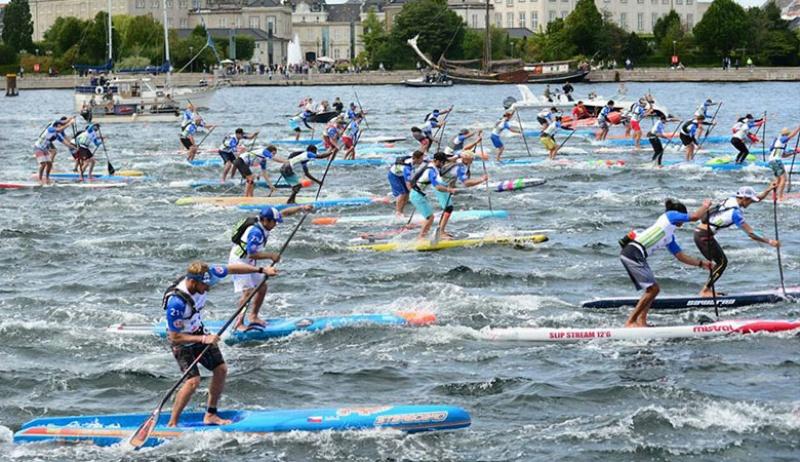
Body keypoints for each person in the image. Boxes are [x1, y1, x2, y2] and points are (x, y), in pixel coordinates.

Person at [164, 261, 278, 427]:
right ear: (193, 282)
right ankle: (172, 423)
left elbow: (233, 267)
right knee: (193, 381)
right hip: (182, 341)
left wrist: (261, 270)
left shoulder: (207, 273)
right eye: (205, 285)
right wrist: (203, 339)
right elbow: (175, 337)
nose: (208, 288)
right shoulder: (176, 303)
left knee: (221, 370)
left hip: (198, 331)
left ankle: (210, 415)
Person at [619, 199, 713, 327]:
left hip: (636, 254)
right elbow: (695, 216)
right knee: (653, 290)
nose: (683, 220)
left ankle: (641, 321)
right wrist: (705, 206)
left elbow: (680, 256)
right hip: (633, 252)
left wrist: (702, 264)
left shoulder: (669, 236)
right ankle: (630, 322)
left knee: (652, 289)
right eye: (683, 216)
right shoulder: (670, 216)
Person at [229, 206, 310, 331]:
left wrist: (301, 208)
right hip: (239, 261)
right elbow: (252, 253)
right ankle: (238, 323)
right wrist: (271, 255)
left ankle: (253, 316)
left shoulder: (264, 221)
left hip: (249, 260)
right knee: (247, 292)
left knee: (262, 286)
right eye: (274, 222)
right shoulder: (255, 232)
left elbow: (284, 213)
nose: (276, 225)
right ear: (266, 220)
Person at [693, 185, 779, 297]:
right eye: (750, 201)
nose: (751, 203)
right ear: (744, 198)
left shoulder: (731, 199)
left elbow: (757, 198)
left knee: (720, 262)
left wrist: (768, 190)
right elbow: (751, 234)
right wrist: (770, 241)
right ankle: (705, 291)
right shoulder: (735, 213)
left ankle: (707, 289)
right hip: (704, 236)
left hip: (700, 233)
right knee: (722, 263)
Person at [435, 151, 488, 238]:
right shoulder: (460, 168)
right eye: (471, 159)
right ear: (466, 160)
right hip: (441, 187)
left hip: (445, 186)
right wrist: (482, 179)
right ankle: (441, 232)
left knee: (448, 208)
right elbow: (466, 183)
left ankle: (441, 230)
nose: (472, 161)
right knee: (448, 208)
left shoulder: (459, 161)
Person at [408, 151, 457, 240]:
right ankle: (421, 238)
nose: (443, 164)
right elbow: (437, 187)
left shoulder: (432, 163)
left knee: (430, 217)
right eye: (442, 162)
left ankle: (423, 237)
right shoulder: (431, 171)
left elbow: (449, 159)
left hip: (419, 195)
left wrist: (458, 156)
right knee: (430, 218)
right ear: (437, 161)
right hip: (416, 196)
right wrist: (449, 190)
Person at [33, 116, 77, 185]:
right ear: (56, 125)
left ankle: (47, 178)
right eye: (60, 125)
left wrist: (74, 148)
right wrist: (69, 123)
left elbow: (66, 143)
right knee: (43, 164)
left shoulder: (57, 135)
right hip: (38, 147)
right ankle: (40, 179)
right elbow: (61, 127)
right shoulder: (50, 129)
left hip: (45, 148)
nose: (61, 127)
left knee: (49, 164)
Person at [387, 150, 427, 217]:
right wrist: (415, 193)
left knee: (407, 193)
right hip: (393, 175)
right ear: (416, 159)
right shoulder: (407, 168)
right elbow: (408, 183)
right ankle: (398, 213)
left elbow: (428, 162)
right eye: (421, 159)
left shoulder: (414, 159)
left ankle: (401, 211)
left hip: (401, 174)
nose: (422, 160)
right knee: (402, 193)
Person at [768, 127, 800, 201]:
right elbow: (792, 135)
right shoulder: (782, 139)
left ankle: (774, 195)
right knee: (783, 179)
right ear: (786, 134)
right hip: (776, 161)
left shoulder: (781, 143)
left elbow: (783, 155)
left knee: (778, 180)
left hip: (772, 161)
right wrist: (798, 128)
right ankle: (780, 197)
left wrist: (794, 152)